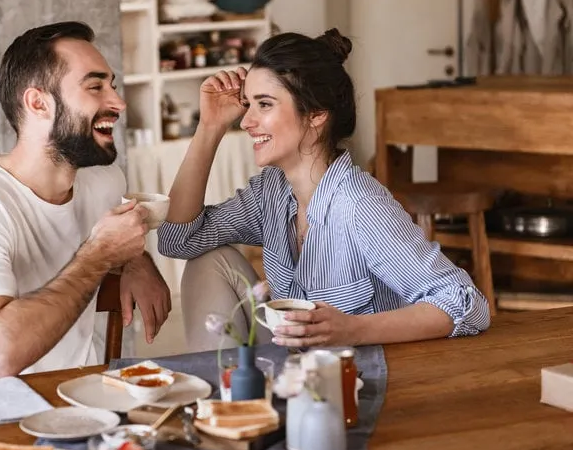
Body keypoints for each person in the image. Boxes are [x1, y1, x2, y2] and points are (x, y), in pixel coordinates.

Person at [157, 29, 491, 352]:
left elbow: (467, 303)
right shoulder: (270, 193)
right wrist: (209, 126)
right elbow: (177, 240)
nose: (246, 121)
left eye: (265, 104)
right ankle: (229, 406)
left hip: (363, 380)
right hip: (297, 371)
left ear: (316, 114)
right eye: (248, 104)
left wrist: (353, 330)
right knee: (208, 259)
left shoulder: (361, 206)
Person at [0, 21, 171, 384]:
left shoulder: (105, 181)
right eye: (95, 87)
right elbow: (2, 353)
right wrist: (100, 255)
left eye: (112, 86)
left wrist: (137, 262)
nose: (118, 103)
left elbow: (119, 245)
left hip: (80, 399)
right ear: (38, 103)